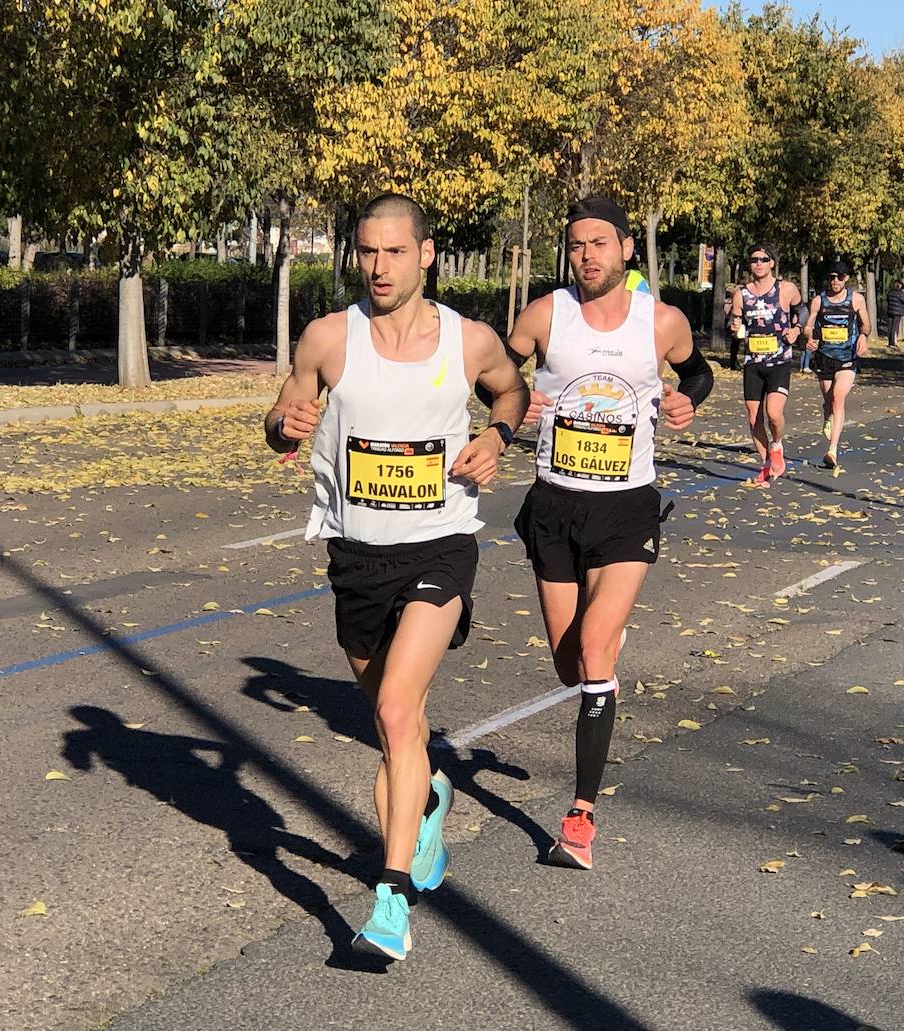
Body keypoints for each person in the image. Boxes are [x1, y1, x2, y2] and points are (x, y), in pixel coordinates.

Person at [264, 193, 527, 960]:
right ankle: (433, 796)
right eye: (367, 252)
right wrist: (284, 426)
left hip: (438, 546)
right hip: (355, 556)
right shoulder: (327, 339)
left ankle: (390, 900)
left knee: (396, 708)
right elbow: (280, 417)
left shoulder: (468, 340)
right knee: (398, 727)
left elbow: (513, 388)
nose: (378, 267)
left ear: (427, 253)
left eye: (394, 252)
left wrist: (498, 432)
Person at [507, 196, 710, 870]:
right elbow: (495, 371)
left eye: (598, 242)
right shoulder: (544, 314)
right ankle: (602, 675)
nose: (586, 255)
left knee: (595, 647)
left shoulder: (662, 322)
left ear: (626, 246)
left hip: (626, 507)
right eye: (574, 244)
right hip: (555, 504)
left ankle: (580, 815)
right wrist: (511, 398)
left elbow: (699, 370)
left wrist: (688, 398)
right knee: (572, 665)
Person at [729, 243, 801, 484]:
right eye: (753, 260)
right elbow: (736, 324)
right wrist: (735, 327)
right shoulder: (742, 294)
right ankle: (766, 463)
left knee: (773, 413)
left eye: (763, 259)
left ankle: (777, 444)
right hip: (753, 361)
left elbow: (799, 311)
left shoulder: (786, 289)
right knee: (753, 417)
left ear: (772, 263)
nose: (757, 264)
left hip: (780, 360)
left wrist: (797, 330)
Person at [804, 260, 871, 468]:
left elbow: (866, 325)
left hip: (847, 357)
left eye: (839, 278)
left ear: (846, 279)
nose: (835, 281)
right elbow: (808, 326)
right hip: (824, 357)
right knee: (828, 400)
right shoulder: (819, 301)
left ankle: (832, 450)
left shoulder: (856, 299)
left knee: (837, 397)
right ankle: (827, 416)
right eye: (832, 277)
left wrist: (863, 336)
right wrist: (809, 337)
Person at [885, 280, 904, 348]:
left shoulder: (890, 292)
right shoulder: (900, 293)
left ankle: (889, 342)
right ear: (899, 285)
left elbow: (888, 300)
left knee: (890, 327)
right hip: (897, 312)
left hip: (890, 311)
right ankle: (893, 343)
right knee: (895, 327)